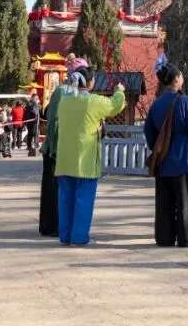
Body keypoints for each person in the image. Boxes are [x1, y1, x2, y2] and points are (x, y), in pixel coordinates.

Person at [55, 66, 126, 246]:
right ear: (90, 82)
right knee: (83, 200)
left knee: (65, 200)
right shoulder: (92, 101)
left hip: (64, 159)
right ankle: (79, 237)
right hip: (84, 159)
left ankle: (65, 235)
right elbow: (115, 105)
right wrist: (119, 91)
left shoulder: (64, 100)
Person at [144, 60, 188, 248]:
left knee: (164, 202)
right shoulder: (184, 101)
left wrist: (157, 147)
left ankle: (164, 238)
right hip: (183, 158)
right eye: (180, 75)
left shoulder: (156, 104)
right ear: (176, 78)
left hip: (163, 159)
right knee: (186, 201)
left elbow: (149, 131)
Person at [38, 77, 76, 237]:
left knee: (60, 188)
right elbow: (54, 121)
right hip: (54, 148)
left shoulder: (72, 92)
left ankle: (57, 223)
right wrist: (54, 147)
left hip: (63, 148)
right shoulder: (62, 91)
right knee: (52, 189)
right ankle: (50, 225)